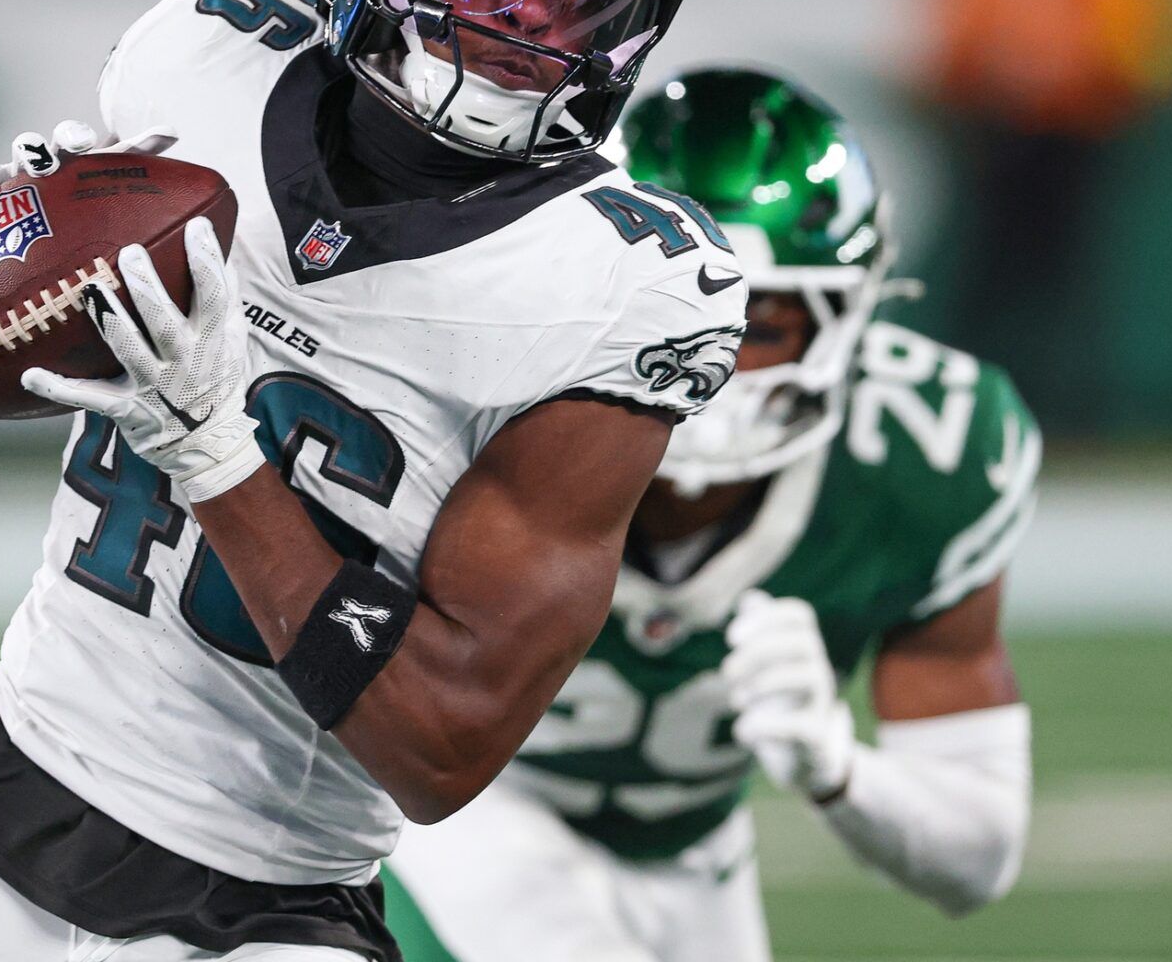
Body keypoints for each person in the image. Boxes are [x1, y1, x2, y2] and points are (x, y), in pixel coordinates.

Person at [0, 0, 744, 962]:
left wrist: (215, 453)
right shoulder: (203, 60)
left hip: (264, 905)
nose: (521, 10)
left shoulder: (618, 282)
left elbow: (442, 745)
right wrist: (1, 253)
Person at [385, 69, 1038, 962]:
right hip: (438, 815)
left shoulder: (929, 449)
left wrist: (836, 767)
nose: (707, 360)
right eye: (671, 306)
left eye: (758, 322)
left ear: (846, 320)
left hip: (691, 861)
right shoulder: (474, 397)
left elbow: (975, 858)